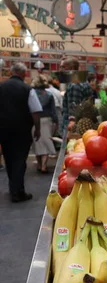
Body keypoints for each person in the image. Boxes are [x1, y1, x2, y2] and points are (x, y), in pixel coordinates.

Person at [0, 62, 42, 202]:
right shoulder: (27, 89)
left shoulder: (2, 87)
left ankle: (13, 187)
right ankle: (17, 192)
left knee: (9, 158)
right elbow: (35, 110)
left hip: (3, 129)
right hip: (22, 130)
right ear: (24, 74)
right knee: (19, 159)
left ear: (12, 72)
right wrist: (38, 128)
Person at [31, 75, 57, 173]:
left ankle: (39, 164)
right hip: (47, 120)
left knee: (37, 143)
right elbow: (53, 111)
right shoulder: (49, 95)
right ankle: (44, 166)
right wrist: (56, 122)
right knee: (46, 142)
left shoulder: (31, 94)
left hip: (34, 120)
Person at [61, 56, 93, 131]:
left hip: (74, 127)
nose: (62, 70)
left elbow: (74, 107)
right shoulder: (84, 81)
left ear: (71, 68)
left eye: (64, 68)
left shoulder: (74, 85)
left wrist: (71, 123)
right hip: (84, 124)